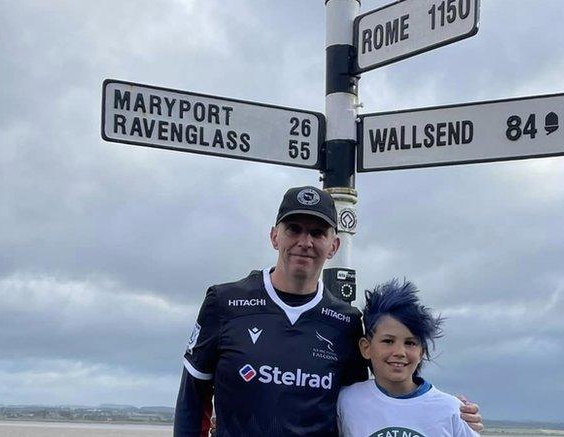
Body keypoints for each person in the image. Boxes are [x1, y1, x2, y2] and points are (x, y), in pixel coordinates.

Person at [173, 186, 482, 436]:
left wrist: (447, 409)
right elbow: (192, 399)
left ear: (333, 246)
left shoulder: (346, 321)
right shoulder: (225, 302)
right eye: (294, 229)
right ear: (274, 236)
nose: (305, 242)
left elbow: (381, 390)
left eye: (318, 233)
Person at [337, 279, 478, 437]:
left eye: (410, 343)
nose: (399, 352)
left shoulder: (451, 409)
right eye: (388, 341)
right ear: (366, 348)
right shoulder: (347, 401)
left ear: (421, 353)